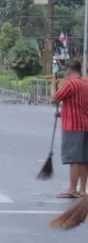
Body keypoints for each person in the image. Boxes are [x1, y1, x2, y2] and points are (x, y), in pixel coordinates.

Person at [51, 59, 88, 198]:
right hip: (85, 125)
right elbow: (80, 106)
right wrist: (62, 113)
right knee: (84, 159)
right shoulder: (85, 84)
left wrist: (53, 85)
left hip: (73, 127)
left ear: (68, 71)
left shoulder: (71, 84)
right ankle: (83, 189)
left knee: (74, 159)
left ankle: (72, 189)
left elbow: (55, 98)